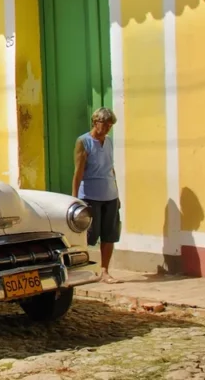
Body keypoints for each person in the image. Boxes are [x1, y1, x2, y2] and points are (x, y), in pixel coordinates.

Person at [73, 107, 122, 284]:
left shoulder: (108, 142)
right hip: (90, 195)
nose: (108, 127)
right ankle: (81, 268)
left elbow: (111, 168)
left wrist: (117, 193)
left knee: (110, 235)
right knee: (88, 235)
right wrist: (75, 199)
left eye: (111, 124)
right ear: (95, 122)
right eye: (105, 123)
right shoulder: (83, 142)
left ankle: (105, 271)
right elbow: (78, 172)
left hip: (110, 194)